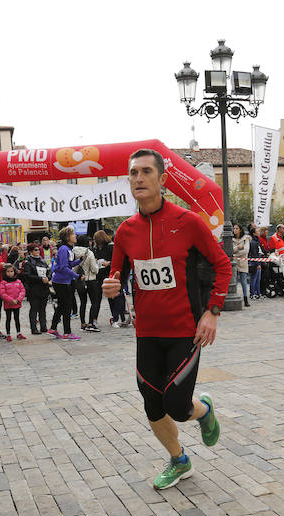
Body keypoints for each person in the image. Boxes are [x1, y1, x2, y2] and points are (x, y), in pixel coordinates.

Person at [101, 148, 231, 490]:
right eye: (133, 173)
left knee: (176, 405)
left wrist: (212, 312)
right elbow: (116, 275)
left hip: (185, 332)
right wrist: (110, 286)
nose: (139, 178)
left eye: (146, 171)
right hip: (147, 334)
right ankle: (179, 460)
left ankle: (202, 409)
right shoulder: (125, 232)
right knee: (152, 405)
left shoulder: (187, 222)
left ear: (162, 179)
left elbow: (223, 265)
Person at [49, 226, 81, 340]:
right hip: (61, 281)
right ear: (67, 237)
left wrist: (80, 260)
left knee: (62, 306)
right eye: (73, 234)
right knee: (67, 307)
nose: (75, 236)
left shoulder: (67, 248)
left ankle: (53, 328)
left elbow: (69, 264)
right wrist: (77, 276)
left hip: (62, 281)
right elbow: (63, 267)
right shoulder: (64, 249)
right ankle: (67, 333)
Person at [21, 242, 51, 334]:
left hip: (43, 288)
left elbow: (48, 271)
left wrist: (47, 278)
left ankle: (43, 326)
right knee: (34, 308)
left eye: (38, 249)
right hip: (33, 289)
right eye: (36, 250)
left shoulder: (42, 260)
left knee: (43, 308)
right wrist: (40, 279)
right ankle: (33, 328)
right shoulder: (27, 262)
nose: (38, 251)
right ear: (30, 252)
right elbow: (27, 276)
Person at [74, 238, 100, 331]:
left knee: (83, 302)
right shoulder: (89, 253)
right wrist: (97, 264)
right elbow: (94, 269)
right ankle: (90, 323)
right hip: (90, 280)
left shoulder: (74, 252)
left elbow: (73, 267)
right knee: (94, 302)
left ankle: (82, 323)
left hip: (80, 280)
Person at [0, 263, 26, 341]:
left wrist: (18, 299)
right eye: (8, 271)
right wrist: (11, 300)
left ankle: (18, 333)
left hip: (17, 303)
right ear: (5, 272)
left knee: (17, 318)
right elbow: (2, 293)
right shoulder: (3, 282)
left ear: (14, 272)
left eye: (11, 271)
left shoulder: (18, 281)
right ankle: (8, 334)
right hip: (8, 304)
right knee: (8, 319)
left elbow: (22, 290)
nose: (10, 273)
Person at [232, 224, 250, 307]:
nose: (235, 230)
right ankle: (234, 297)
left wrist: (236, 252)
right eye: (234, 228)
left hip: (243, 262)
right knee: (234, 281)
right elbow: (230, 250)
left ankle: (246, 299)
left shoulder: (246, 238)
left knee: (243, 281)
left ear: (240, 230)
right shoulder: (231, 239)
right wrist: (238, 247)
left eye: (237, 228)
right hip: (234, 263)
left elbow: (246, 250)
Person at [246, 225, 262, 300]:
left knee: (258, 279)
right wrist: (258, 264)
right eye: (258, 231)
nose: (259, 232)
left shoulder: (257, 241)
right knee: (254, 279)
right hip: (254, 262)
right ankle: (252, 294)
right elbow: (254, 254)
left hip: (258, 261)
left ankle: (258, 293)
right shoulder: (253, 242)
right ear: (254, 233)